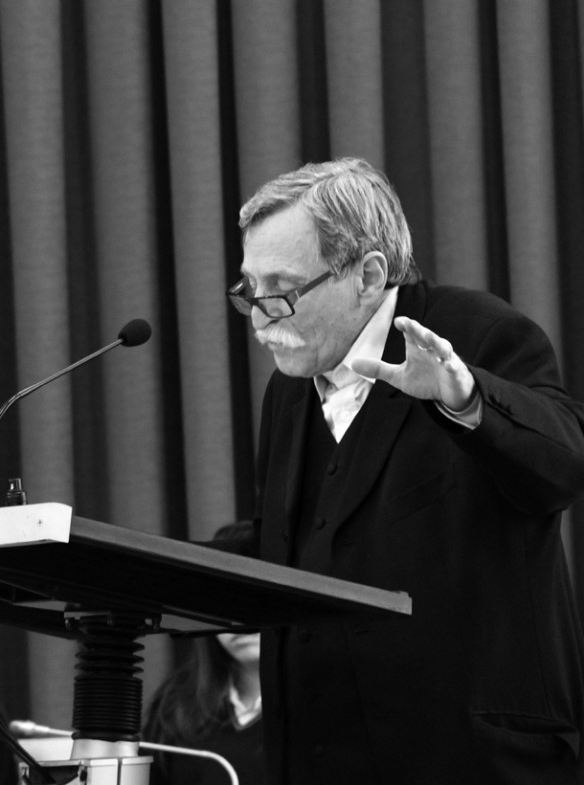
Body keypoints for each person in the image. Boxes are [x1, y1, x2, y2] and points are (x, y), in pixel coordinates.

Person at [223, 157, 584, 785]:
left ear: (367, 276)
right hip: (317, 757)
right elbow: (298, 546)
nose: (259, 317)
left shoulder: (479, 335)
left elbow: (562, 467)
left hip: (469, 759)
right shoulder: (287, 392)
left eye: (281, 290)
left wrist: (464, 399)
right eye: (249, 289)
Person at [143, 521, 264, 785]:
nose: (241, 619)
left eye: (255, 597)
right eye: (224, 601)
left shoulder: (322, 704)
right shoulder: (175, 704)